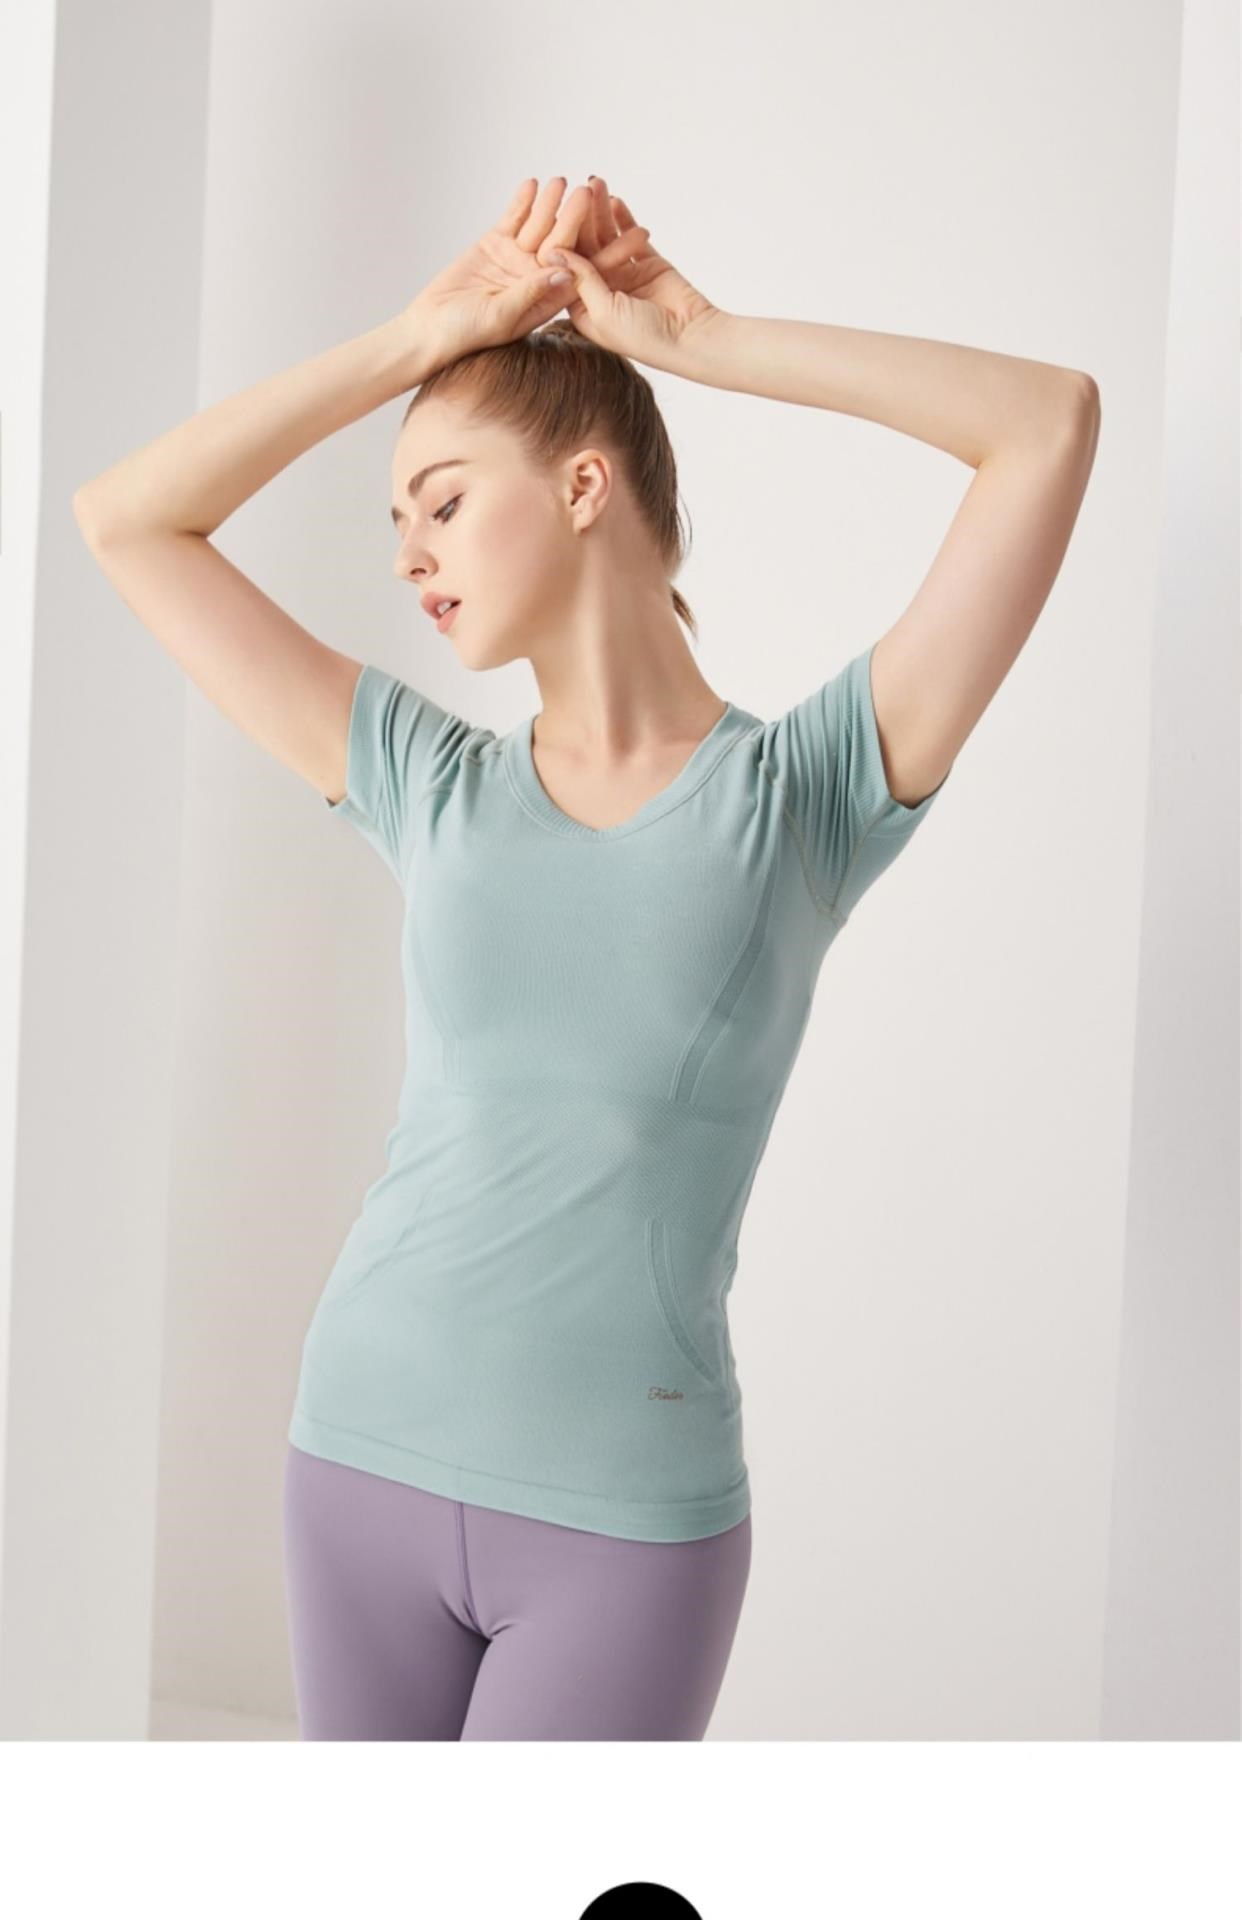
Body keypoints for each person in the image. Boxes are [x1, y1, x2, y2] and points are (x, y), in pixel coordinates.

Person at [73, 175, 1099, 1741]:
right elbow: (126, 519)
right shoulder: (424, 778)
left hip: (623, 1522)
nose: (409, 553)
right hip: (356, 1454)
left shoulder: (804, 795)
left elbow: (1044, 425)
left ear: (581, 486)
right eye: (395, 518)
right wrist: (417, 338)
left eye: (440, 500)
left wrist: (702, 339)